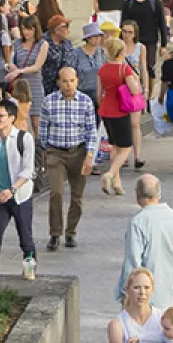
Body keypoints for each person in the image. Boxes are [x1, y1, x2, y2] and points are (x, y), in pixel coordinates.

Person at [42, 66, 100, 251]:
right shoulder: (49, 101)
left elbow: (92, 130)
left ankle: (71, 232)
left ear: (77, 81)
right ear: (59, 82)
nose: (68, 85)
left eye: (71, 81)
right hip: (56, 151)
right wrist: (46, 151)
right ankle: (55, 233)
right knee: (56, 192)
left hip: (78, 151)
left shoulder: (85, 101)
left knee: (77, 196)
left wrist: (89, 156)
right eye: (64, 81)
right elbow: (43, 129)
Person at [0, 100, 38, 278]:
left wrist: (12, 190)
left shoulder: (24, 138)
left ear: (11, 118)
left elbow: (28, 170)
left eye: (1, 116)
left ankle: (29, 273)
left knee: (26, 240)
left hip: (20, 196)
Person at [119, 175, 173, 309]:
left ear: (137, 193)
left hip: (144, 289)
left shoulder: (138, 221)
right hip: (168, 281)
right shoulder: (171, 215)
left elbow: (133, 260)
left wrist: (126, 291)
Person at [96, 35, 143, 195]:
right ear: (122, 51)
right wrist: (136, 80)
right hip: (120, 110)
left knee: (114, 146)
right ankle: (110, 174)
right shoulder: (125, 69)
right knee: (126, 146)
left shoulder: (102, 69)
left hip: (105, 109)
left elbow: (98, 93)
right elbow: (134, 90)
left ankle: (117, 182)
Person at [121, 0, 168, 94]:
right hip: (132, 40)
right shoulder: (129, 3)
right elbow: (123, 23)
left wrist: (164, 44)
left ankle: (149, 94)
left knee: (150, 68)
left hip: (150, 40)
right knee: (131, 67)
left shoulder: (155, 3)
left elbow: (162, 23)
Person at [8, 18, 49, 136]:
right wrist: (11, 67)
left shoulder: (42, 44)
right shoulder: (17, 43)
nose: (26, 32)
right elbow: (10, 61)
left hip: (34, 84)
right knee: (18, 120)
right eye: (24, 29)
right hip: (19, 85)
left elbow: (37, 66)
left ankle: (38, 150)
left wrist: (19, 70)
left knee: (37, 123)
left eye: (29, 29)